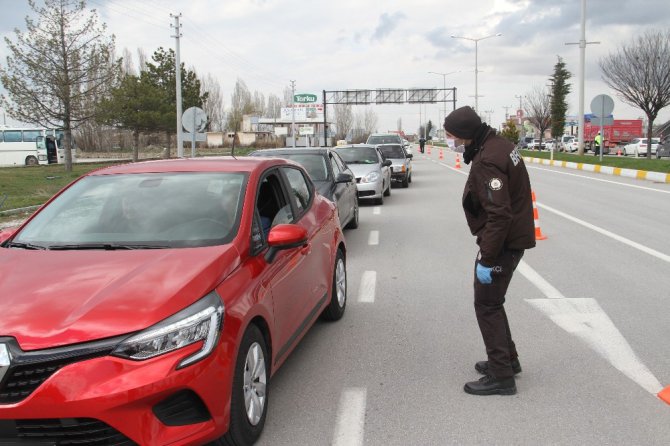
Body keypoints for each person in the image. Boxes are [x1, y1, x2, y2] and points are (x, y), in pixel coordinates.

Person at [443, 106, 536, 396]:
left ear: (465, 134)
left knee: (487, 305)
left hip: (503, 244)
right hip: (511, 239)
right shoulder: (500, 145)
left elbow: (499, 214)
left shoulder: (488, 160)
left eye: (450, 135)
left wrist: (487, 257)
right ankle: (507, 360)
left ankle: (501, 376)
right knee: (494, 302)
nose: (449, 140)